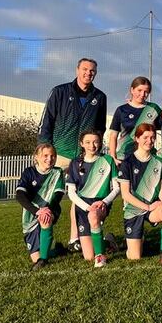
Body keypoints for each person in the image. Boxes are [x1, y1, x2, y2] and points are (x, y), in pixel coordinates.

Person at [39, 58, 107, 253]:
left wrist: (96, 152)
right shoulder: (60, 91)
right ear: (77, 69)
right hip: (59, 153)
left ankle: (74, 239)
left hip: (84, 157)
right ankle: (42, 241)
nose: (88, 73)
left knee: (80, 197)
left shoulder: (100, 97)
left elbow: (100, 128)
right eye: (85, 69)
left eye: (92, 70)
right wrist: (45, 149)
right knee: (50, 199)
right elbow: (47, 121)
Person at [118, 123, 162, 265]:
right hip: (133, 209)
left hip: (153, 207)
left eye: (152, 137)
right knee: (135, 257)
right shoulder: (127, 163)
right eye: (145, 137)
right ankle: (122, 242)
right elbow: (125, 195)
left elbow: (161, 189)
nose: (149, 141)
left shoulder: (158, 161)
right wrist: (147, 207)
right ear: (137, 139)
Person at [65, 130, 120, 268]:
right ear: (82, 143)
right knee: (88, 256)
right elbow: (71, 193)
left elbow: (117, 188)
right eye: (88, 142)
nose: (92, 145)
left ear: (100, 143)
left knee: (94, 217)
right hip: (83, 206)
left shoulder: (107, 160)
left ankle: (100, 257)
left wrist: (104, 202)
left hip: (100, 204)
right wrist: (86, 207)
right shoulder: (75, 163)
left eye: (96, 141)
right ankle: (108, 241)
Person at [16, 143, 65, 270]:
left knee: (46, 218)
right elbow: (20, 195)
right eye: (45, 155)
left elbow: (58, 194)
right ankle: (57, 251)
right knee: (35, 256)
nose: (50, 159)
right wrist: (36, 211)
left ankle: (43, 261)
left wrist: (47, 209)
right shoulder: (28, 172)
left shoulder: (57, 172)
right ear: (36, 157)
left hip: (51, 208)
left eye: (53, 155)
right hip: (31, 213)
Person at [108, 76, 162, 163]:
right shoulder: (121, 110)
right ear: (132, 90)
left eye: (146, 92)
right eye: (139, 90)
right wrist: (113, 157)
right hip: (124, 157)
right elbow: (113, 136)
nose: (142, 94)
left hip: (147, 158)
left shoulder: (154, 109)